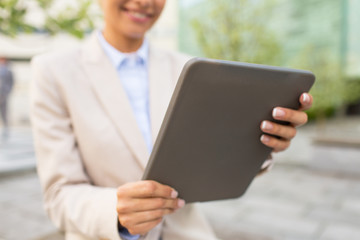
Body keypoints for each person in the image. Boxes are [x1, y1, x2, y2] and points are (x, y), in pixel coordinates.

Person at [30, 0, 313, 239]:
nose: (145, 2)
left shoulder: (189, 68)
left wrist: (261, 142)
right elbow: (59, 195)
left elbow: (211, 155)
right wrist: (115, 211)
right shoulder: (53, 72)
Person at [0, 57, 14, 140]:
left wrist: (7, 92)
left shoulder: (9, 71)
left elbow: (11, 83)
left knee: (4, 112)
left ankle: (6, 129)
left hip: (4, 95)